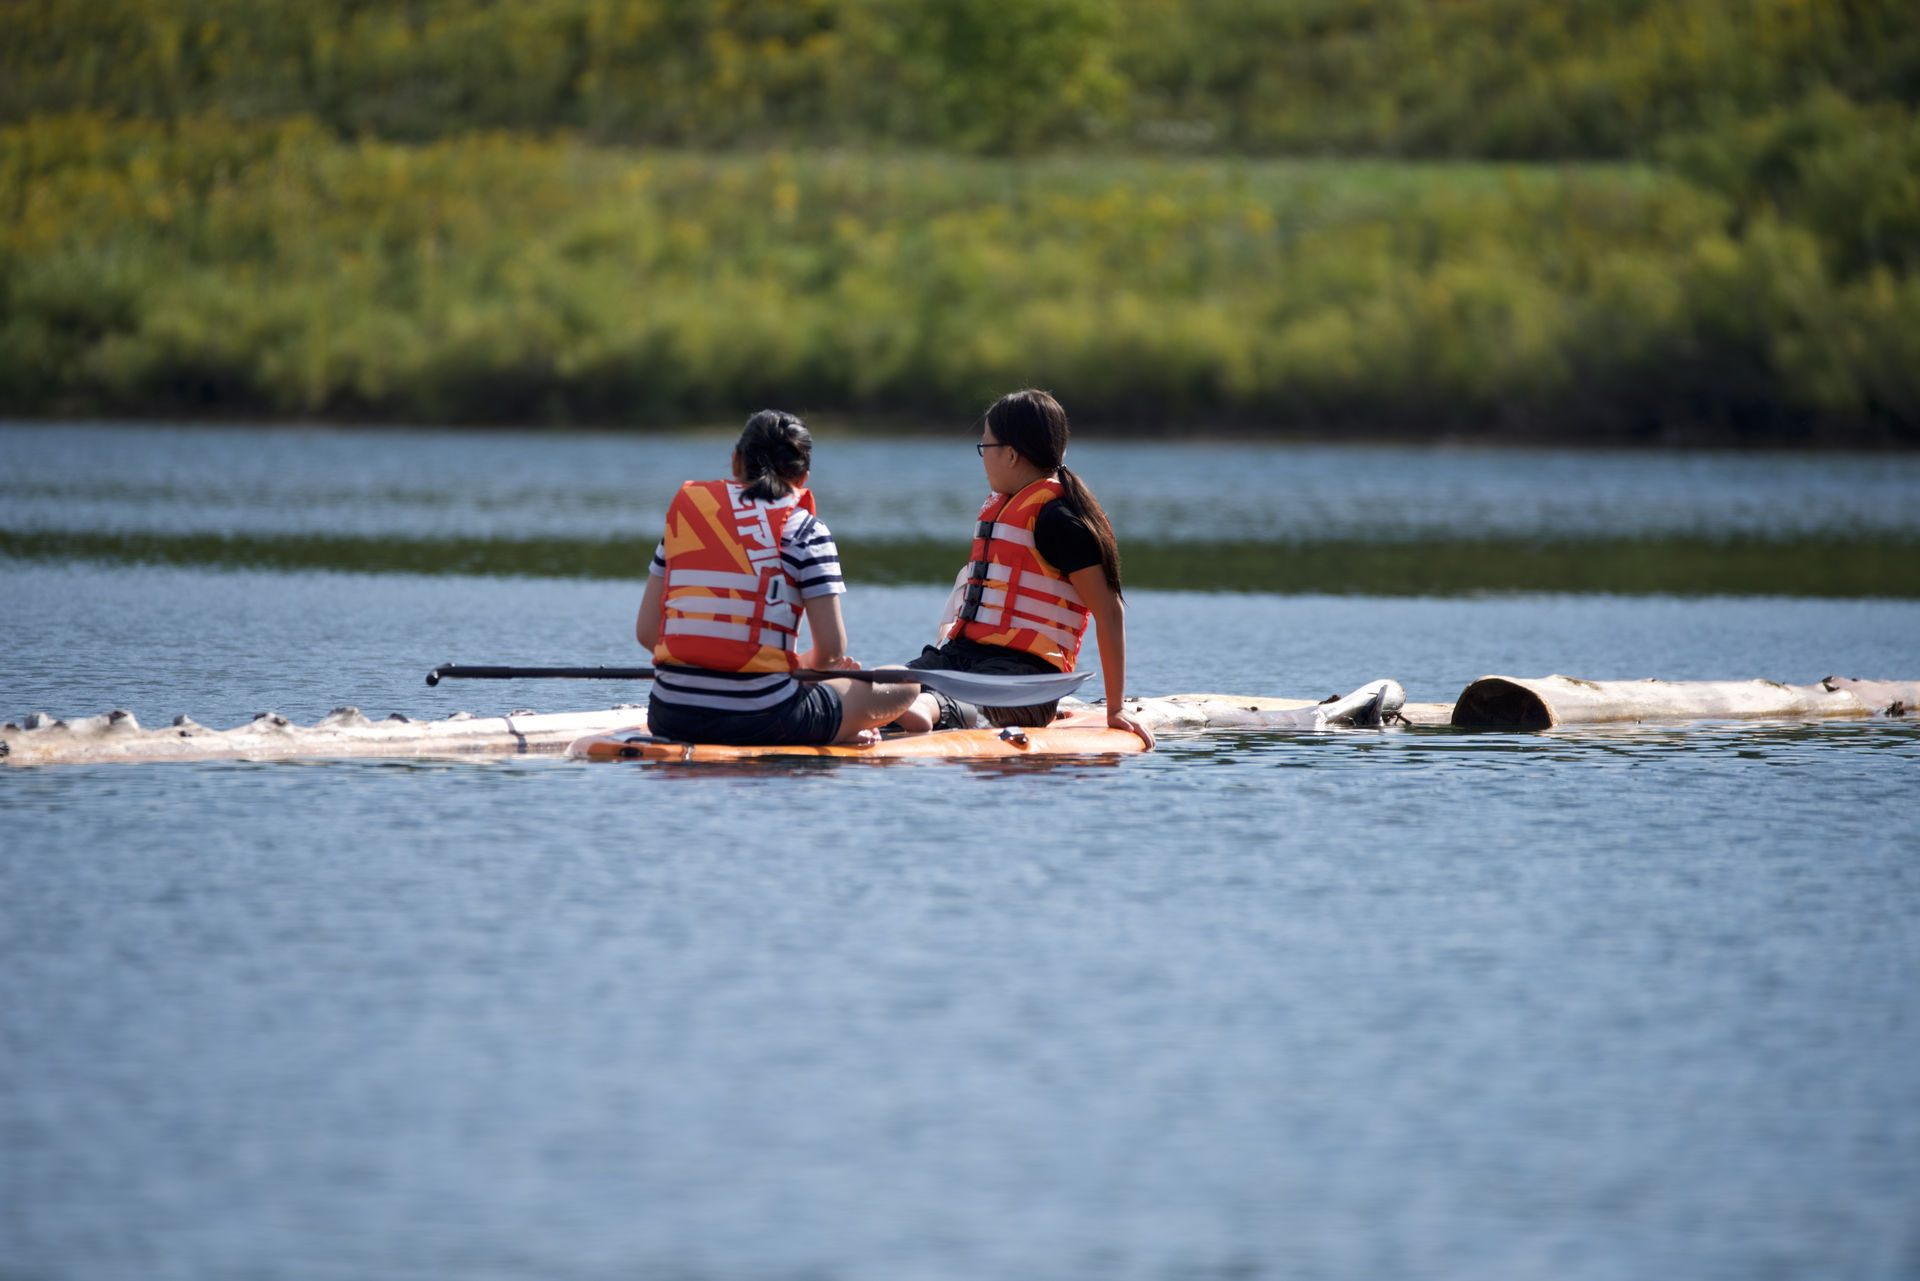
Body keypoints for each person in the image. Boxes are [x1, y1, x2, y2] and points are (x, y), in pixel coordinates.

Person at [634, 411, 917, 745]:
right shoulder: (807, 531)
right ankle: (844, 729)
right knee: (905, 681)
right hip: (766, 721)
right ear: (804, 477)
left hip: (669, 716)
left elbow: (647, 633)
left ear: (736, 461)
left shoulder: (685, 524)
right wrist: (800, 667)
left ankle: (837, 724)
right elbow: (830, 653)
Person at [893, 389, 1155, 747]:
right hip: (963, 657)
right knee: (885, 682)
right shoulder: (1004, 507)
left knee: (954, 699)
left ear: (1012, 454)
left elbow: (1109, 612)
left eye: (985, 447)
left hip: (1026, 678)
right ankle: (880, 704)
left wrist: (1116, 709)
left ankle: (927, 709)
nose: (983, 458)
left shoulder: (1060, 519)